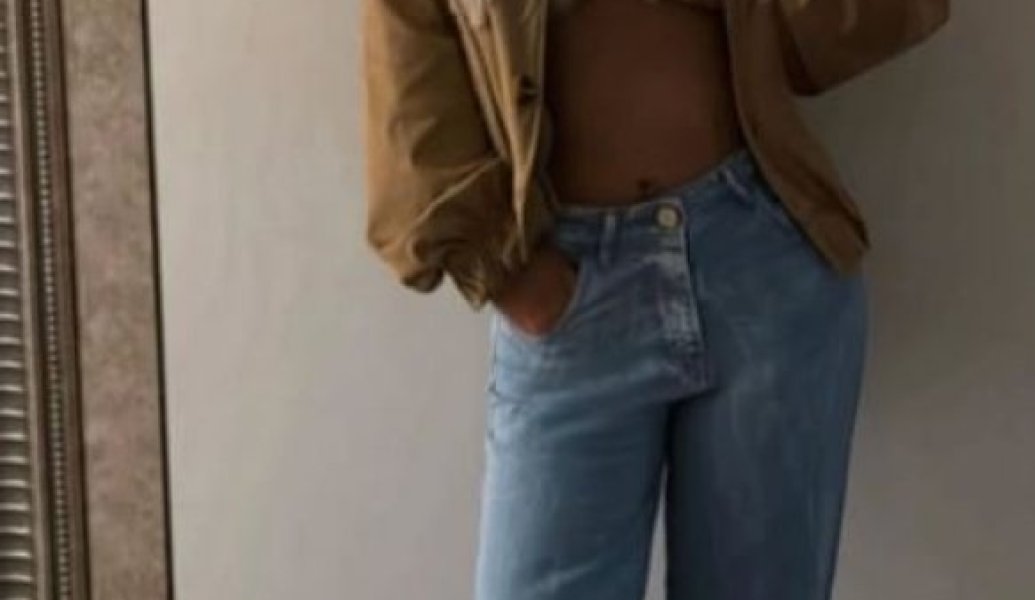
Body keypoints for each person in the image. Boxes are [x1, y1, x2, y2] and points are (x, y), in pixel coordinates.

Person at [360, 1, 948, 598]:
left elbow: (872, 20)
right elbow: (408, 81)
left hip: (760, 266)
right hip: (568, 296)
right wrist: (513, 280)